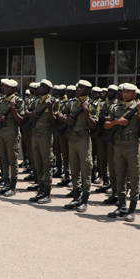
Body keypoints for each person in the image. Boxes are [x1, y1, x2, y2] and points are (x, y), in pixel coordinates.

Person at [104, 83, 140, 221]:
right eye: (123, 92)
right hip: (118, 145)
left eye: (128, 92)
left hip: (132, 145)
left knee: (134, 177)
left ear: (135, 94)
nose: (125, 94)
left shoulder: (139, 107)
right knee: (119, 176)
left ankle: (132, 209)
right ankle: (122, 206)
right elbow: (106, 125)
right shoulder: (115, 107)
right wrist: (117, 122)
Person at [60, 80, 97, 212]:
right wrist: (66, 119)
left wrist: (86, 111)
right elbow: (59, 112)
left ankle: (84, 200)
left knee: (86, 168)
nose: (78, 89)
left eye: (81, 88)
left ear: (88, 90)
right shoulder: (72, 103)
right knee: (74, 168)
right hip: (72, 138)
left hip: (84, 139)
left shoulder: (92, 104)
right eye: (78, 87)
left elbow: (93, 125)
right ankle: (76, 197)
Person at [25, 80, 58, 203]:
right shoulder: (37, 100)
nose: (39, 88)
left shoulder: (52, 102)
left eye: (42, 87)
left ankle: (47, 193)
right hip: (35, 134)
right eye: (39, 86)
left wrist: (49, 110)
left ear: (48, 89)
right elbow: (25, 112)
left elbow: (55, 122)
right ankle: (40, 190)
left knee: (46, 164)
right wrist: (31, 114)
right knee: (37, 163)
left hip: (45, 135)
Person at [0, 79, 25, 196]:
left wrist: (13, 109)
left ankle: (12, 186)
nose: (4, 89)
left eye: (7, 87)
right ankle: (6, 183)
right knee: (4, 159)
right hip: (1, 130)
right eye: (4, 87)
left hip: (12, 131)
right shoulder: (1, 100)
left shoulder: (18, 101)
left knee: (12, 160)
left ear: (13, 89)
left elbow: (21, 121)